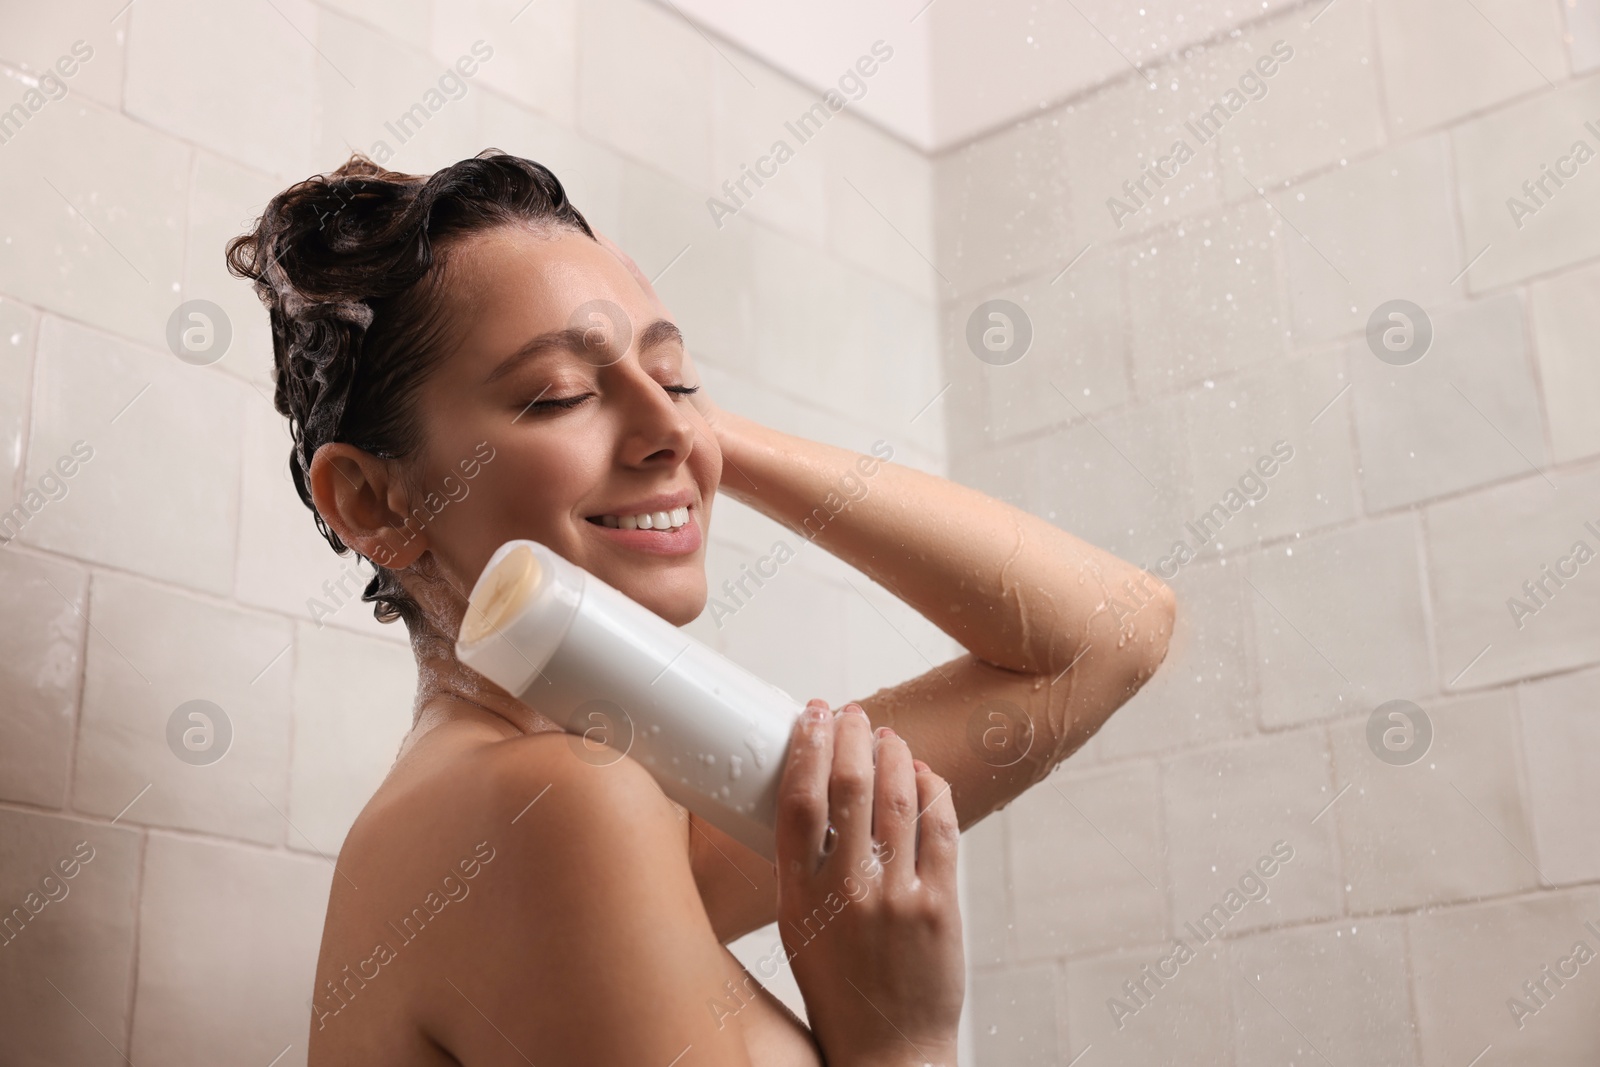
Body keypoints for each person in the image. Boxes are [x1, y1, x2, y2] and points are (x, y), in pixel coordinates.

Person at [226, 150, 1176, 1065]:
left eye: (677, 377)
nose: (672, 425)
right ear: (370, 501)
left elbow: (1111, 633)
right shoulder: (550, 808)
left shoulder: (555, 811)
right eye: (556, 396)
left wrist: (686, 427)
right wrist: (902, 1041)